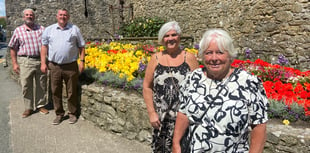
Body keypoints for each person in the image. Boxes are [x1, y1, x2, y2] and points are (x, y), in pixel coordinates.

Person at [172, 29, 269, 153]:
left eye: (220, 52)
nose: (214, 58)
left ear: (230, 55)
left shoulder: (249, 83)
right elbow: (183, 113)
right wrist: (176, 143)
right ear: (202, 55)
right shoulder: (192, 79)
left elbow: (259, 125)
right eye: (208, 53)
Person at [143, 21, 199, 153]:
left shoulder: (189, 58)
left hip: (185, 118)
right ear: (162, 39)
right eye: (166, 36)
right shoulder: (155, 58)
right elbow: (146, 86)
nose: (170, 39)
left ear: (179, 37)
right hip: (162, 120)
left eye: (174, 35)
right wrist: (152, 113)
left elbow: (199, 87)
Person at [40, 8, 85, 125]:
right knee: (55, 91)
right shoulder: (49, 30)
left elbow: (81, 46)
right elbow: (44, 47)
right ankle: (59, 114)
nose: (63, 17)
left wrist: (82, 61)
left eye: (65, 15)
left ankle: (72, 113)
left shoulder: (74, 29)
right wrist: (43, 63)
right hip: (54, 66)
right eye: (60, 15)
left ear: (68, 17)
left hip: (71, 66)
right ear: (57, 16)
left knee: (71, 91)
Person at [8, 8, 49, 118]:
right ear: (23, 17)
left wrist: (45, 61)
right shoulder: (18, 31)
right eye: (27, 15)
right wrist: (15, 63)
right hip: (25, 61)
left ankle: (40, 105)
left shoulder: (42, 29)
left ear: (34, 17)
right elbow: (13, 48)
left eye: (31, 15)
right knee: (26, 85)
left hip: (40, 60)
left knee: (41, 84)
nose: (29, 16)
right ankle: (28, 107)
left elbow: (47, 45)